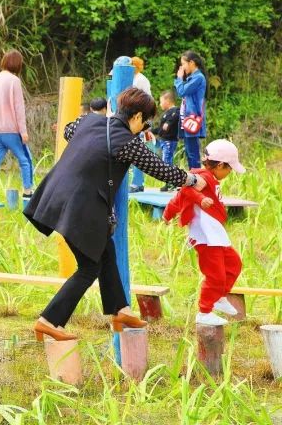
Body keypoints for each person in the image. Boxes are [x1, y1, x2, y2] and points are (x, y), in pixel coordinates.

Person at [23, 88, 208, 341]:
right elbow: (160, 169)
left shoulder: (88, 120)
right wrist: (192, 179)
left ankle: (120, 309)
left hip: (54, 196)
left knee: (105, 250)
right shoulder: (126, 141)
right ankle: (49, 320)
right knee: (89, 267)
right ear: (137, 116)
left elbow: (68, 130)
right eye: (146, 122)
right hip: (81, 207)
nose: (144, 128)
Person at [163, 140, 245, 326]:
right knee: (215, 275)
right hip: (206, 237)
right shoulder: (202, 177)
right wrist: (200, 199)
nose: (229, 173)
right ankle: (204, 311)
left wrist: (168, 214)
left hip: (216, 234)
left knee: (234, 264)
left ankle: (219, 297)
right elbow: (184, 191)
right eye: (229, 169)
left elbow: (178, 198)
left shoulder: (210, 178)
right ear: (221, 165)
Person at [0, 50, 34, 202]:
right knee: (25, 159)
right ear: (18, 65)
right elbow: (19, 108)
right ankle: (28, 190)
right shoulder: (14, 81)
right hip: (10, 130)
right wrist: (23, 131)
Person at [175, 51, 208, 169]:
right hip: (187, 119)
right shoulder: (192, 77)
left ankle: (196, 182)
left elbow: (182, 91)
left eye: (183, 64)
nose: (182, 67)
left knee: (193, 153)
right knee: (189, 153)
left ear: (191, 63)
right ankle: (192, 181)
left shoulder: (198, 78)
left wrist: (179, 79)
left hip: (193, 119)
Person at [129, 56, 153, 192]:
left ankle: (138, 183)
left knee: (138, 151)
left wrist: (146, 123)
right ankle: (136, 182)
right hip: (131, 117)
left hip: (140, 117)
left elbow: (148, 100)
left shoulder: (141, 80)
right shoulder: (131, 79)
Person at [151, 90, 180, 191]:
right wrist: (150, 130)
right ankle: (172, 182)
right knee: (167, 161)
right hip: (164, 141)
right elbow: (161, 129)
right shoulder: (166, 113)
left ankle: (170, 183)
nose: (160, 104)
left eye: (161, 101)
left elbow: (169, 124)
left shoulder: (175, 111)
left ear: (167, 100)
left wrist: (168, 123)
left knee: (167, 162)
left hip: (169, 141)